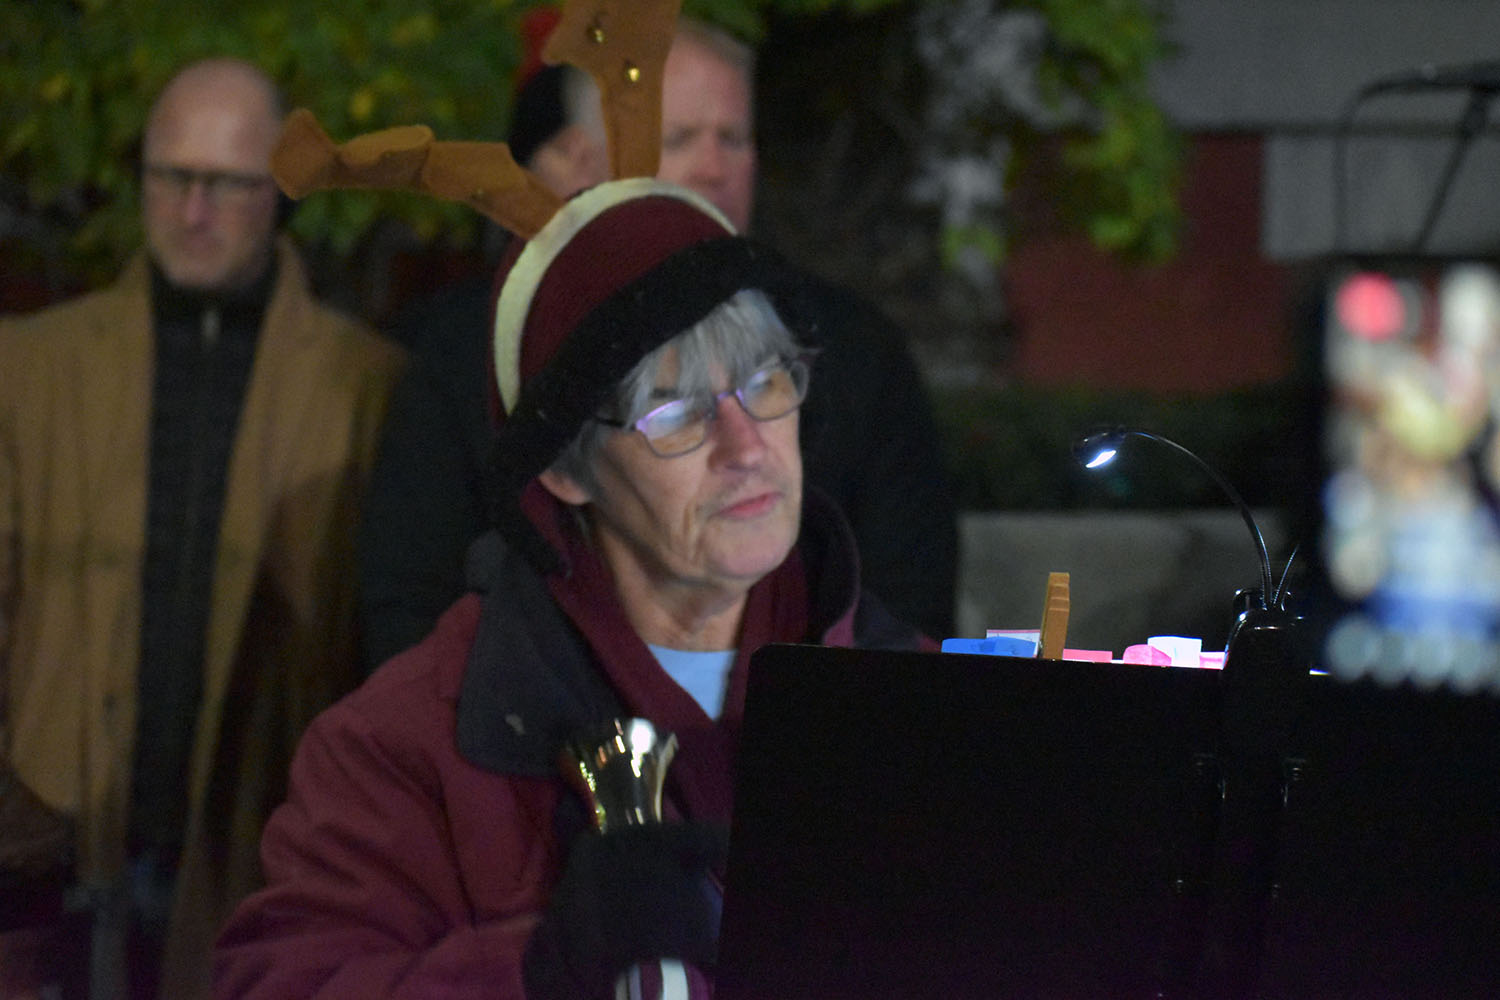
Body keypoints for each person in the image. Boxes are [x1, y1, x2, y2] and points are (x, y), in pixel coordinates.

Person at [215, 171, 931, 999]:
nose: (746, 446)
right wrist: (536, 968)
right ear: (562, 468)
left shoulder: (909, 695)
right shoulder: (411, 747)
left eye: (766, 381)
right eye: (676, 411)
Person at [357, 17, 958, 671]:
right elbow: (407, 602)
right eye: (679, 138)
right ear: (580, 162)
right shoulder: (467, 349)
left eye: (733, 137)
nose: (714, 166)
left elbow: (910, 599)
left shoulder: (854, 347)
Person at [0, 58, 406, 999]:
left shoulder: (366, 387)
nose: (192, 210)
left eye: (225, 183)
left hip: (261, 860)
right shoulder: (33, 371)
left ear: (280, 194)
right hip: (53, 856)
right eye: (170, 177)